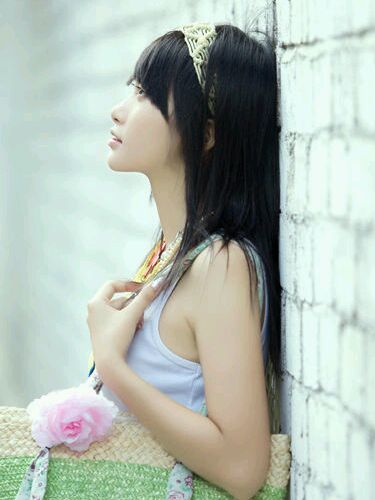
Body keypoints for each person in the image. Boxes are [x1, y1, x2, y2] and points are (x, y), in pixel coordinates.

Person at [85, 22, 281, 499]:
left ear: (206, 133)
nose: (119, 110)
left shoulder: (223, 264)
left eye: (145, 95)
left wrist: (112, 364)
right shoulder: (173, 250)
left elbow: (243, 467)